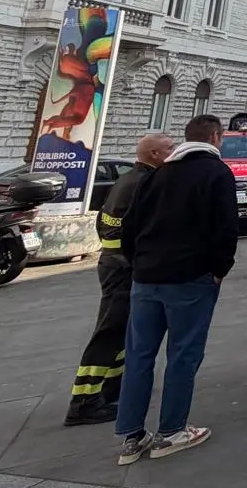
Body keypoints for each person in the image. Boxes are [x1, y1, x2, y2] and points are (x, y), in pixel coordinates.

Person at [113, 114, 238, 465]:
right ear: (215, 137)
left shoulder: (158, 174)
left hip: (146, 278)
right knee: (183, 354)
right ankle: (171, 431)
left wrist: (139, 263)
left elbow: (129, 227)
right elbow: (226, 228)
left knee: (139, 355)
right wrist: (219, 270)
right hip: (189, 277)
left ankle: (132, 435)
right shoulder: (217, 173)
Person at [65, 132, 173, 427]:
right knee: (110, 331)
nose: (173, 151)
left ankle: (112, 387)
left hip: (115, 264)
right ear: (154, 154)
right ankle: (83, 401)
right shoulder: (145, 182)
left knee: (123, 329)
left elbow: (105, 222)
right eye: (169, 148)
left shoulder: (128, 179)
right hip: (123, 268)